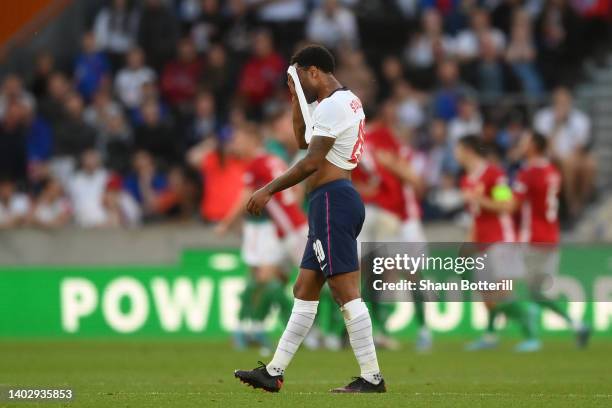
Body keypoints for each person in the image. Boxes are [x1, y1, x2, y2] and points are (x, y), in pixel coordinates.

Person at [234, 44, 385, 393]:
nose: (300, 84)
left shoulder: (334, 106)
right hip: (329, 201)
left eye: (301, 76)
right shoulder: (339, 102)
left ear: (314, 71)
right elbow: (303, 138)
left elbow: (311, 161)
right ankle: (274, 371)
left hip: (333, 200)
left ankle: (372, 377)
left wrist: (267, 189)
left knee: (345, 292)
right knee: (304, 288)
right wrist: (295, 99)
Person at [455, 135, 538, 352]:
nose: (455, 155)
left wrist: (479, 199)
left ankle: (529, 324)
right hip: (481, 242)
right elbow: (476, 216)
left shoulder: (494, 174)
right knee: (486, 294)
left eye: (458, 150)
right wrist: (467, 243)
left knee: (501, 292)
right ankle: (491, 335)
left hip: (501, 239)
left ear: (468, 150)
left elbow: (507, 205)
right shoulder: (466, 179)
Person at [509, 132, 590, 347]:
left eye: (525, 141)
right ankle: (577, 324)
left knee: (519, 288)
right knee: (536, 292)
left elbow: (513, 205)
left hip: (532, 237)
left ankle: (533, 338)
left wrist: (489, 198)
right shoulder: (552, 171)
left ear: (534, 146)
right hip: (551, 237)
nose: (521, 144)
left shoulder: (527, 173)